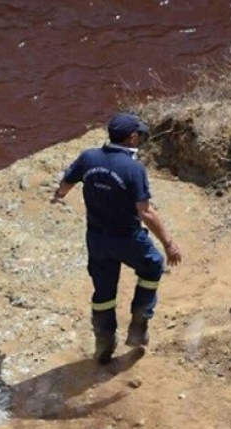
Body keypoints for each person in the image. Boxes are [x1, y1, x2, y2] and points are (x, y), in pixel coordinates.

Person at [52, 112, 184, 364]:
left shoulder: (89, 157)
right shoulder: (133, 168)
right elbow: (145, 211)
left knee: (103, 292)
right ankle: (138, 324)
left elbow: (66, 184)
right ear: (132, 137)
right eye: (139, 135)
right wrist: (168, 243)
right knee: (153, 265)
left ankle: (104, 340)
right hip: (127, 238)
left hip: (97, 239)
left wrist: (58, 195)